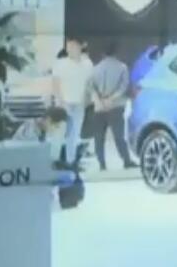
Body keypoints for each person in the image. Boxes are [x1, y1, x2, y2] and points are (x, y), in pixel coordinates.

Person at [90, 41, 137, 171]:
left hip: (99, 107)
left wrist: (99, 101)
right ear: (116, 52)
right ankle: (126, 161)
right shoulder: (122, 67)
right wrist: (111, 99)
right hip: (116, 106)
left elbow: (91, 87)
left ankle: (102, 164)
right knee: (119, 136)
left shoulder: (95, 68)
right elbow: (124, 86)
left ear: (102, 53)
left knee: (99, 137)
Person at [50, 37, 94, 167]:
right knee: (59, 133)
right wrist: (60, 101)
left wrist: (86, 100)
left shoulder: (87, 64)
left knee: (74, 134)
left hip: (79, 104)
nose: (70, 49)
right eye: (68, 46)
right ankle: (54, 160)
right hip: (64, 104)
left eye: (73, 46)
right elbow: (56, 83)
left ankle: (71, 161)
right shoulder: (60, 64)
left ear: (80, 47)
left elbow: (90, 84)